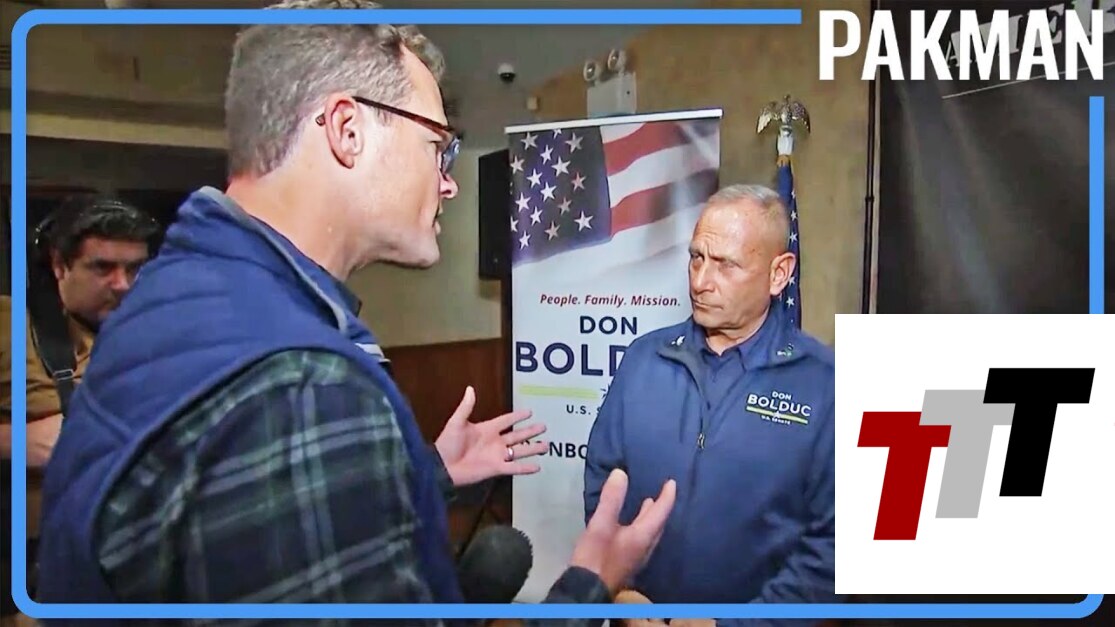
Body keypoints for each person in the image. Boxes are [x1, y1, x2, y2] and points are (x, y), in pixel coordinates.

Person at [34, 1, 676, 623]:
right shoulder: (304, 386)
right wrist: (590, 585)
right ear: (347, 130)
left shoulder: (173, 294)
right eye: (438, 146)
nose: (449, 181)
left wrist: (422, 474)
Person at [584, 184, 838, 625]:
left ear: (779, 274)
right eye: (696, 258)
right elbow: (603, 485)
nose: (700, 281)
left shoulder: (825, 384)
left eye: (725, 264)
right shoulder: (644, 359)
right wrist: (617, 587)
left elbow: (834, 547)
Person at [0, 196, 158, 626]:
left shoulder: (153, 334)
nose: (122, 284)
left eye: (134, 269)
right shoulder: (9, 323)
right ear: (59, 265)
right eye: (102, 267)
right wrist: (13, 442)